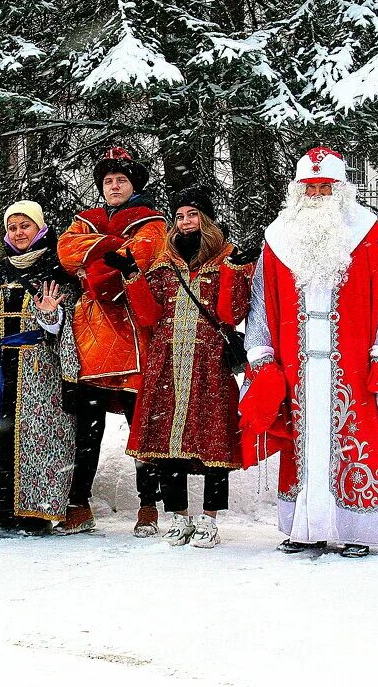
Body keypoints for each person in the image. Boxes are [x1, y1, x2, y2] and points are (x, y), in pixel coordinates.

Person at [239, 146, 378, 558]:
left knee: (357, 441)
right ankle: (305, 529)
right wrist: (262, 355)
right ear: (298, 191)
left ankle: (358, 530)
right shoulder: (278, 238)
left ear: (341, 189)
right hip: (295, 365)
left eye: (325, 187)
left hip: (353, 366)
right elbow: (261, 301)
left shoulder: (367, 233)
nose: (318, 194)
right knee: (301, 444)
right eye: (311, 187)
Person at [122, 188, 254, 547]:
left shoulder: (227, 260)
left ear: (206, 219)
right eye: (179, 216)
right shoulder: (164, 263)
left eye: (192, 215)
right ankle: (178, 516)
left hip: (209, 362)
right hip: (166, 363)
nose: (185, 223)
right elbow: (148, 315)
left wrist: (234, 271)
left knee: (213, 440)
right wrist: (133, 276)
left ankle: (209, 520)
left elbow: (232, 314)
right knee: (167, 443)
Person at [56, 146, 167, 535]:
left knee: (141, 423)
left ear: (133, 183)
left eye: (121, 180)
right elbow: (66, 252)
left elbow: (142, 256)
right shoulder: (86, 218)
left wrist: (98, 259)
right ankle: (78, 501)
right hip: (91, 333)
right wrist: (109, 248)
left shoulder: (151, 220)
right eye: (108, 181)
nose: (114, 186)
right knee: (87, 427)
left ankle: (148, 504)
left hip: (133, 327)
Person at [0, 200, 80, 536]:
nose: (19, 233)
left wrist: (48, 315)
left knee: (39, 437)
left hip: (39, 369)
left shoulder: (55, 273)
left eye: (25, 226)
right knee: (0, 436)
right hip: (0, 369)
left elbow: (62, 329)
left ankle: (37, 513)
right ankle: (4, 510)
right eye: (13, 227)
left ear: (39, 228)